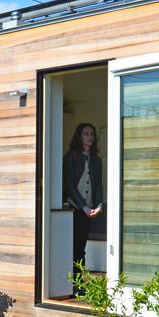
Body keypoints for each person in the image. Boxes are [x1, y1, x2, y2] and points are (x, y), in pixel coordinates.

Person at [63, 123, 103, 288]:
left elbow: (98, 185)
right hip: (73, 208)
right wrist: (82, 206)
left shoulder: (96, 160)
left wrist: (99, 205)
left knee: (81, 247)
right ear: (79, 136)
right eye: (86, 133)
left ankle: (78, 283)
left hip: (89, 210)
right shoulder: (71, 156)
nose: (89, 137)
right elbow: (69, 184)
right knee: (72, 247)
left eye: (92, 134)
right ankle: (69, 284)